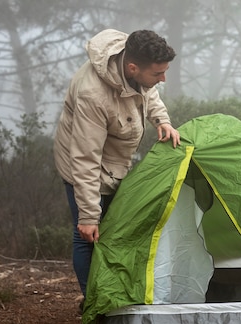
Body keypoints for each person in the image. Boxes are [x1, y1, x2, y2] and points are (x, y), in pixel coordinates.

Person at [54, 29, 180, 299]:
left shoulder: (133, 62)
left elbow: (148, 91)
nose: (163, 78)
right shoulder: (93, 96)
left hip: (113, 161)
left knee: (114, 229)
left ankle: (115, 294)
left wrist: (162, 120)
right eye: (158, 74)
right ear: (132, 68)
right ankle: (95, 306)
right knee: (88, 235)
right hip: (86, 167)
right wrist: (88, 215)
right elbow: (85, 159)